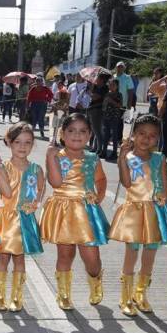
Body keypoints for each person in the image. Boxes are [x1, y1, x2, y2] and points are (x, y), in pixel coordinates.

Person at [109, 114, 167, 316]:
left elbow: (166, 187)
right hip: (135, 212)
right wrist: (121, 157)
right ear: (133, 135)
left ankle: (141, 293)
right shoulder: (128, 158)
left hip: (155, 211)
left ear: (158, 138)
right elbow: (127, 183)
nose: (146, 139)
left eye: (152, 135)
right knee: (132, 252)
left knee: (150, 255)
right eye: (141, 134)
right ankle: (125, 296)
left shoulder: (159, 158)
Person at [40, 113, 109, 309]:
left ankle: (95, 280)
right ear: (62, 134)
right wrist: (50, 156)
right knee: (65, 255)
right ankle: (63, 293)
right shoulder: (56, 156)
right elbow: (55, 182)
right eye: (71, 131)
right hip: (64, 210)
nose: (76, 135)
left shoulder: (92, 158)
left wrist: (99, 196)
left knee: (92, 258)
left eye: (82, 131)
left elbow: (101, 180)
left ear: (89, 135)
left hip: (86, 212)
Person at [0, 122, 45, 311]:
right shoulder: (3, 166)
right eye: (18, 142)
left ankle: (17, 296)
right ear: (9, 143)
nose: (22, 147)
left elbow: (40, 188)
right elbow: (7, 192)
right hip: (7, 218)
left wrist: (35, 203)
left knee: (20, 259)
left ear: (33, 144)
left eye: (28, 142)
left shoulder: (36, 169)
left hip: (25, 219)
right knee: (4, 257)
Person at [100, 78, 125, 159]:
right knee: (106, 135)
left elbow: (120, 105)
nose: (111, 86)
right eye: (110, 84)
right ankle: (104, 151)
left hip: (115, 117)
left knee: (114, 135)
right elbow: (104, 107)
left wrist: (111, 101)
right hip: (106, 116)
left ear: (117, 86)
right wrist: (105, 104)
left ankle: (114, 153)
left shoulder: (119, 94)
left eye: (113, 85)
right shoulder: (107, 94)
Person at [86, 74, 109, 152]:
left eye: (97, 78)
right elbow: (91, 94)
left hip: (98, 110)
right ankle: (95, 147)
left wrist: (90, 94)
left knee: (97, 130)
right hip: (92, 109)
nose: (96, 79)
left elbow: (96, 97)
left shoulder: (105, 87)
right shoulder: (95, 86)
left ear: (102, 80)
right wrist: (92, 87)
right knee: (95, 130)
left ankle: (99, 149)